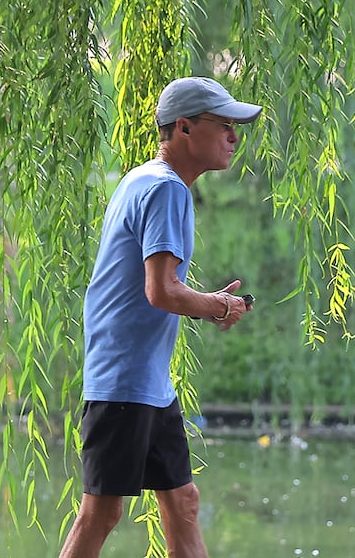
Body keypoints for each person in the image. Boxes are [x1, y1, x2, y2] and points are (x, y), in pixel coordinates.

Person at [59, 76, 260, 558]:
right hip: (123, 380)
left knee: (183, 501)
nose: (235, 136)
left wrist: (211, 302)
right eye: (225, 125)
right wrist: (219, 306)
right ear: (186, 129)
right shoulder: (166, 190)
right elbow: (161, 290)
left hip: (147, 381)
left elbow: (158, 288)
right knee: (101, 513)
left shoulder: (144, 178)